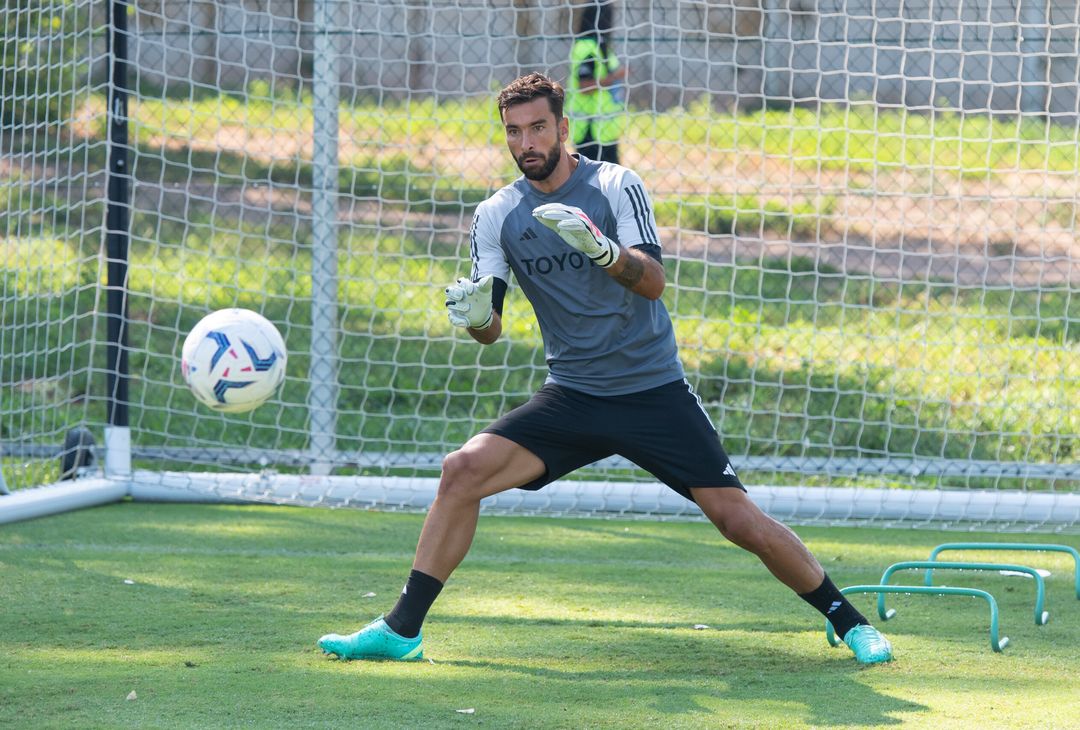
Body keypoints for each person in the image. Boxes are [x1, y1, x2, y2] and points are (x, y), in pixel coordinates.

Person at [317, 72, 893, 666]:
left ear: (564, 128)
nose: (527, 142)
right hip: (573, 396)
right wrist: (472, 315)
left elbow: (654, 283)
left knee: (736, 518)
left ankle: (850, 623)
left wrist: (606, 253)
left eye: (538, 127)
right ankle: (401, 629)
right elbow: (489, 332)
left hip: (651, 391)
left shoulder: (617, 185)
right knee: (461, 470)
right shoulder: (497, 214)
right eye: (514, 132)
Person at [567, 0, 627, 164]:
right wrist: (615, 76)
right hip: (590, 130)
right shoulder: (588, 48)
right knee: (596, 182)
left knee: (612, 181)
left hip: (605, 131)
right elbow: (584, 86)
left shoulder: (601, 46)